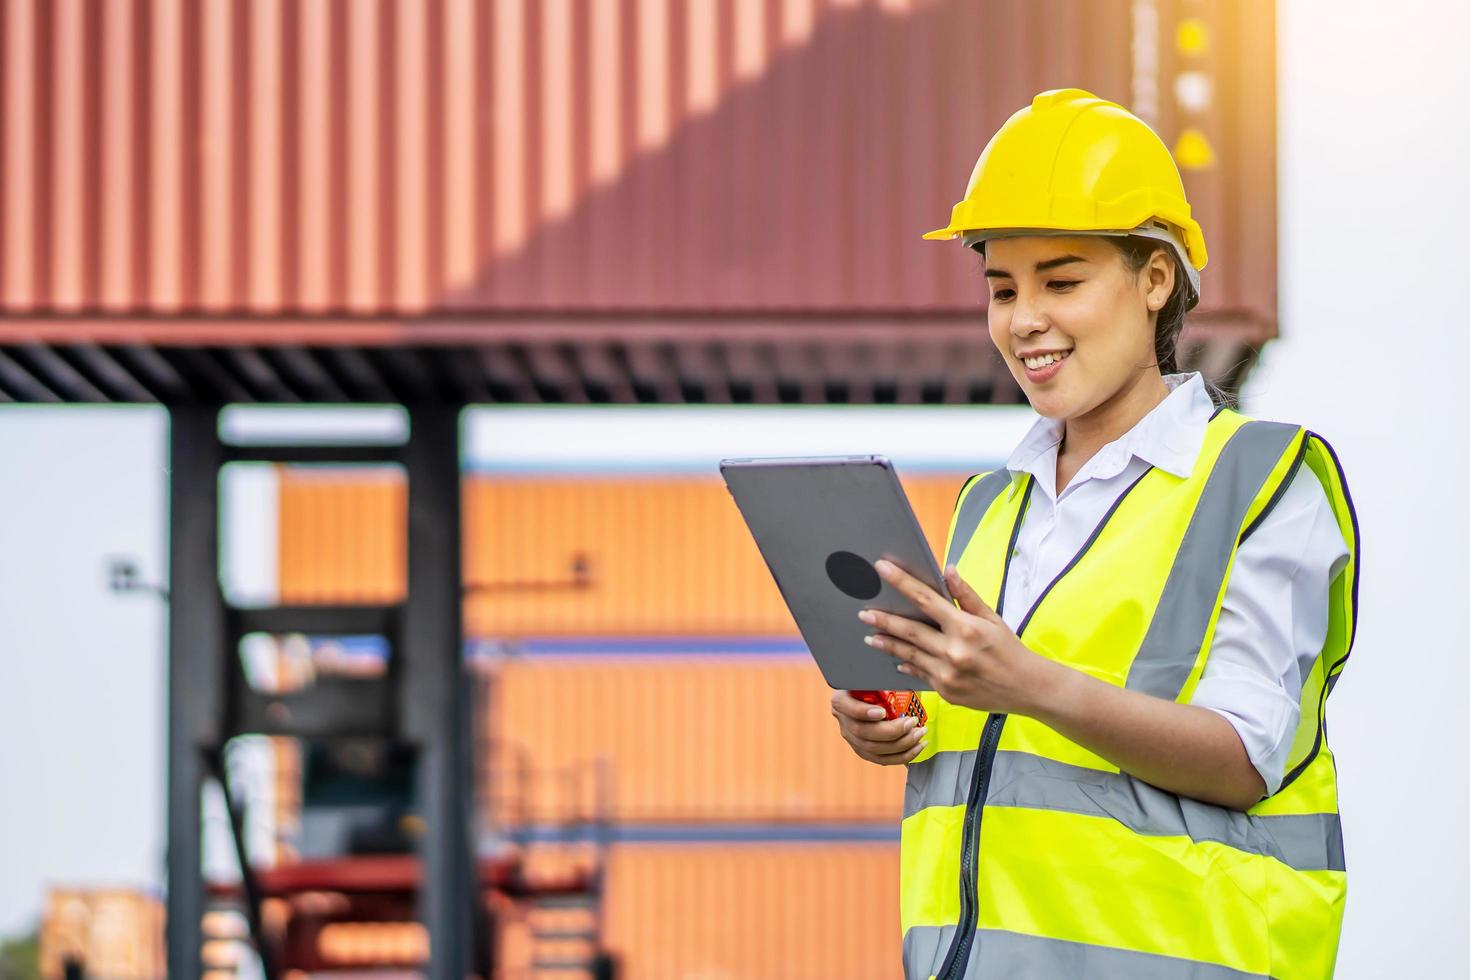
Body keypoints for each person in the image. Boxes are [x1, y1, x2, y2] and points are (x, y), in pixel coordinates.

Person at [829, 89, 1359, 980]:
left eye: (1061, 282)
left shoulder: (1262, 479)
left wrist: (1028, 683)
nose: (1024, 319)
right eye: (1002, 289)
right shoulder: (987, 506)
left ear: (1156, 281)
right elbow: (1005, 751)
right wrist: (893, 726)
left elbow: (1246, 758)